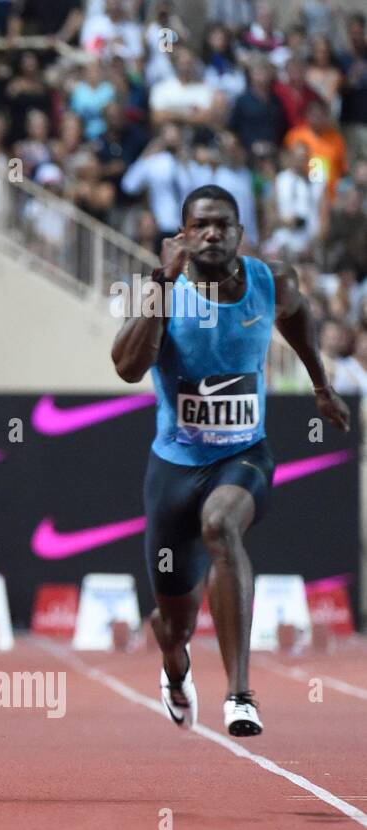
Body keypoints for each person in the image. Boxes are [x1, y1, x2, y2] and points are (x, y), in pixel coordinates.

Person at [111, 184, 350, 737]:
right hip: (173, 469)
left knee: (221, 526)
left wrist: (320, 384)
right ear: (184, 235)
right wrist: (161, 283)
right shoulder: (160, 291)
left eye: (224, 224)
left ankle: (240, 695)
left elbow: (297, 318)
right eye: (202, 225)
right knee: (173, 623)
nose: (214, 233)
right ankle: (175, 668)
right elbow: (126, 366)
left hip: (243, 456)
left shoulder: (272, 281)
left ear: (241, 233)